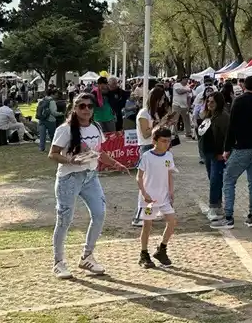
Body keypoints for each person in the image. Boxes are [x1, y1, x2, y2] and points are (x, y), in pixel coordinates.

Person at [48, 92, 127, 278]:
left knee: (99, 214)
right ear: (74, 108)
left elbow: (99, 152)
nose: (86, 110)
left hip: (91, 177)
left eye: (89, 106)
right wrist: (71, 160)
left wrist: (116, 164)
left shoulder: (96, 127)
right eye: (81, 106)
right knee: (64, 220)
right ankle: (58, 262)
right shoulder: (65, 129)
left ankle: (87, 256)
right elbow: (53, 154)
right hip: (69, 178)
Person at [212, 76, 252, 229]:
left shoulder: (239, 102)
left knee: (229, 179)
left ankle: (229, 216)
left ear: (244, 85)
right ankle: (251, 215)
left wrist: (227, 148)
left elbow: (231, 126)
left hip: (241, 146)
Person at [137, 126, 178, 268]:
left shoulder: (169, 156)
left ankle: (162, 249)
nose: (166, 144)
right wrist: (144, 193)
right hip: (149, 200)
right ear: (154, 141)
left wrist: (171, 191)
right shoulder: (147, 156)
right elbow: (139, 177)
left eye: (168, 141)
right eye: (163, 141)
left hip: (164, 198)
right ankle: (144, 254)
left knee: (172, 222)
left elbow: (169, 174)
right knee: (147, 225)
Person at [132, 86, 169, 227]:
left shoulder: (154, 114)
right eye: (161, 100)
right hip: (147, 149)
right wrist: (159, 123)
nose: (162, 102)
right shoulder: (144, 114)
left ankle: (150, 212)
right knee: (146, 183)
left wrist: (164, 123)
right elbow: (146, 134)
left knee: (156, 183)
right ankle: (139, 216)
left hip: (156, 149)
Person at [201, 91, 229, 222]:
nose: (209, 104)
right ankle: (217, 205)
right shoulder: (208, 116)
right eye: (208, 101)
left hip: (217, 154)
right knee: (213, 179)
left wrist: (222, 153)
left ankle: (214, 206)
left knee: (215, 180)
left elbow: (225, 137)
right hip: (208, 153)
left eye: (212, 101)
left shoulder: (223, 117)